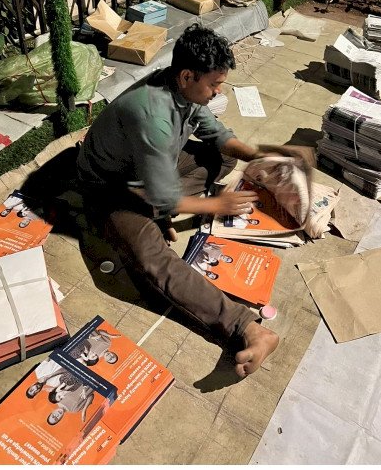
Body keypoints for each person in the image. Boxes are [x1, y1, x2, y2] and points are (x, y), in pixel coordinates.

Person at [75, 24, 279, 377]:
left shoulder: (183, 89)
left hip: (153, 168)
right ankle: (247, 327)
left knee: (221, 156)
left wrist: (256, 156)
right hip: (111, 188)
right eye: (214, 85)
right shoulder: (153, 115)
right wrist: (216, 205)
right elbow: (162, 194)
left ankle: (154, 214)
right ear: (187, 76)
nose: (218, 91)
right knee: (150, 258)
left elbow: (216, 133)